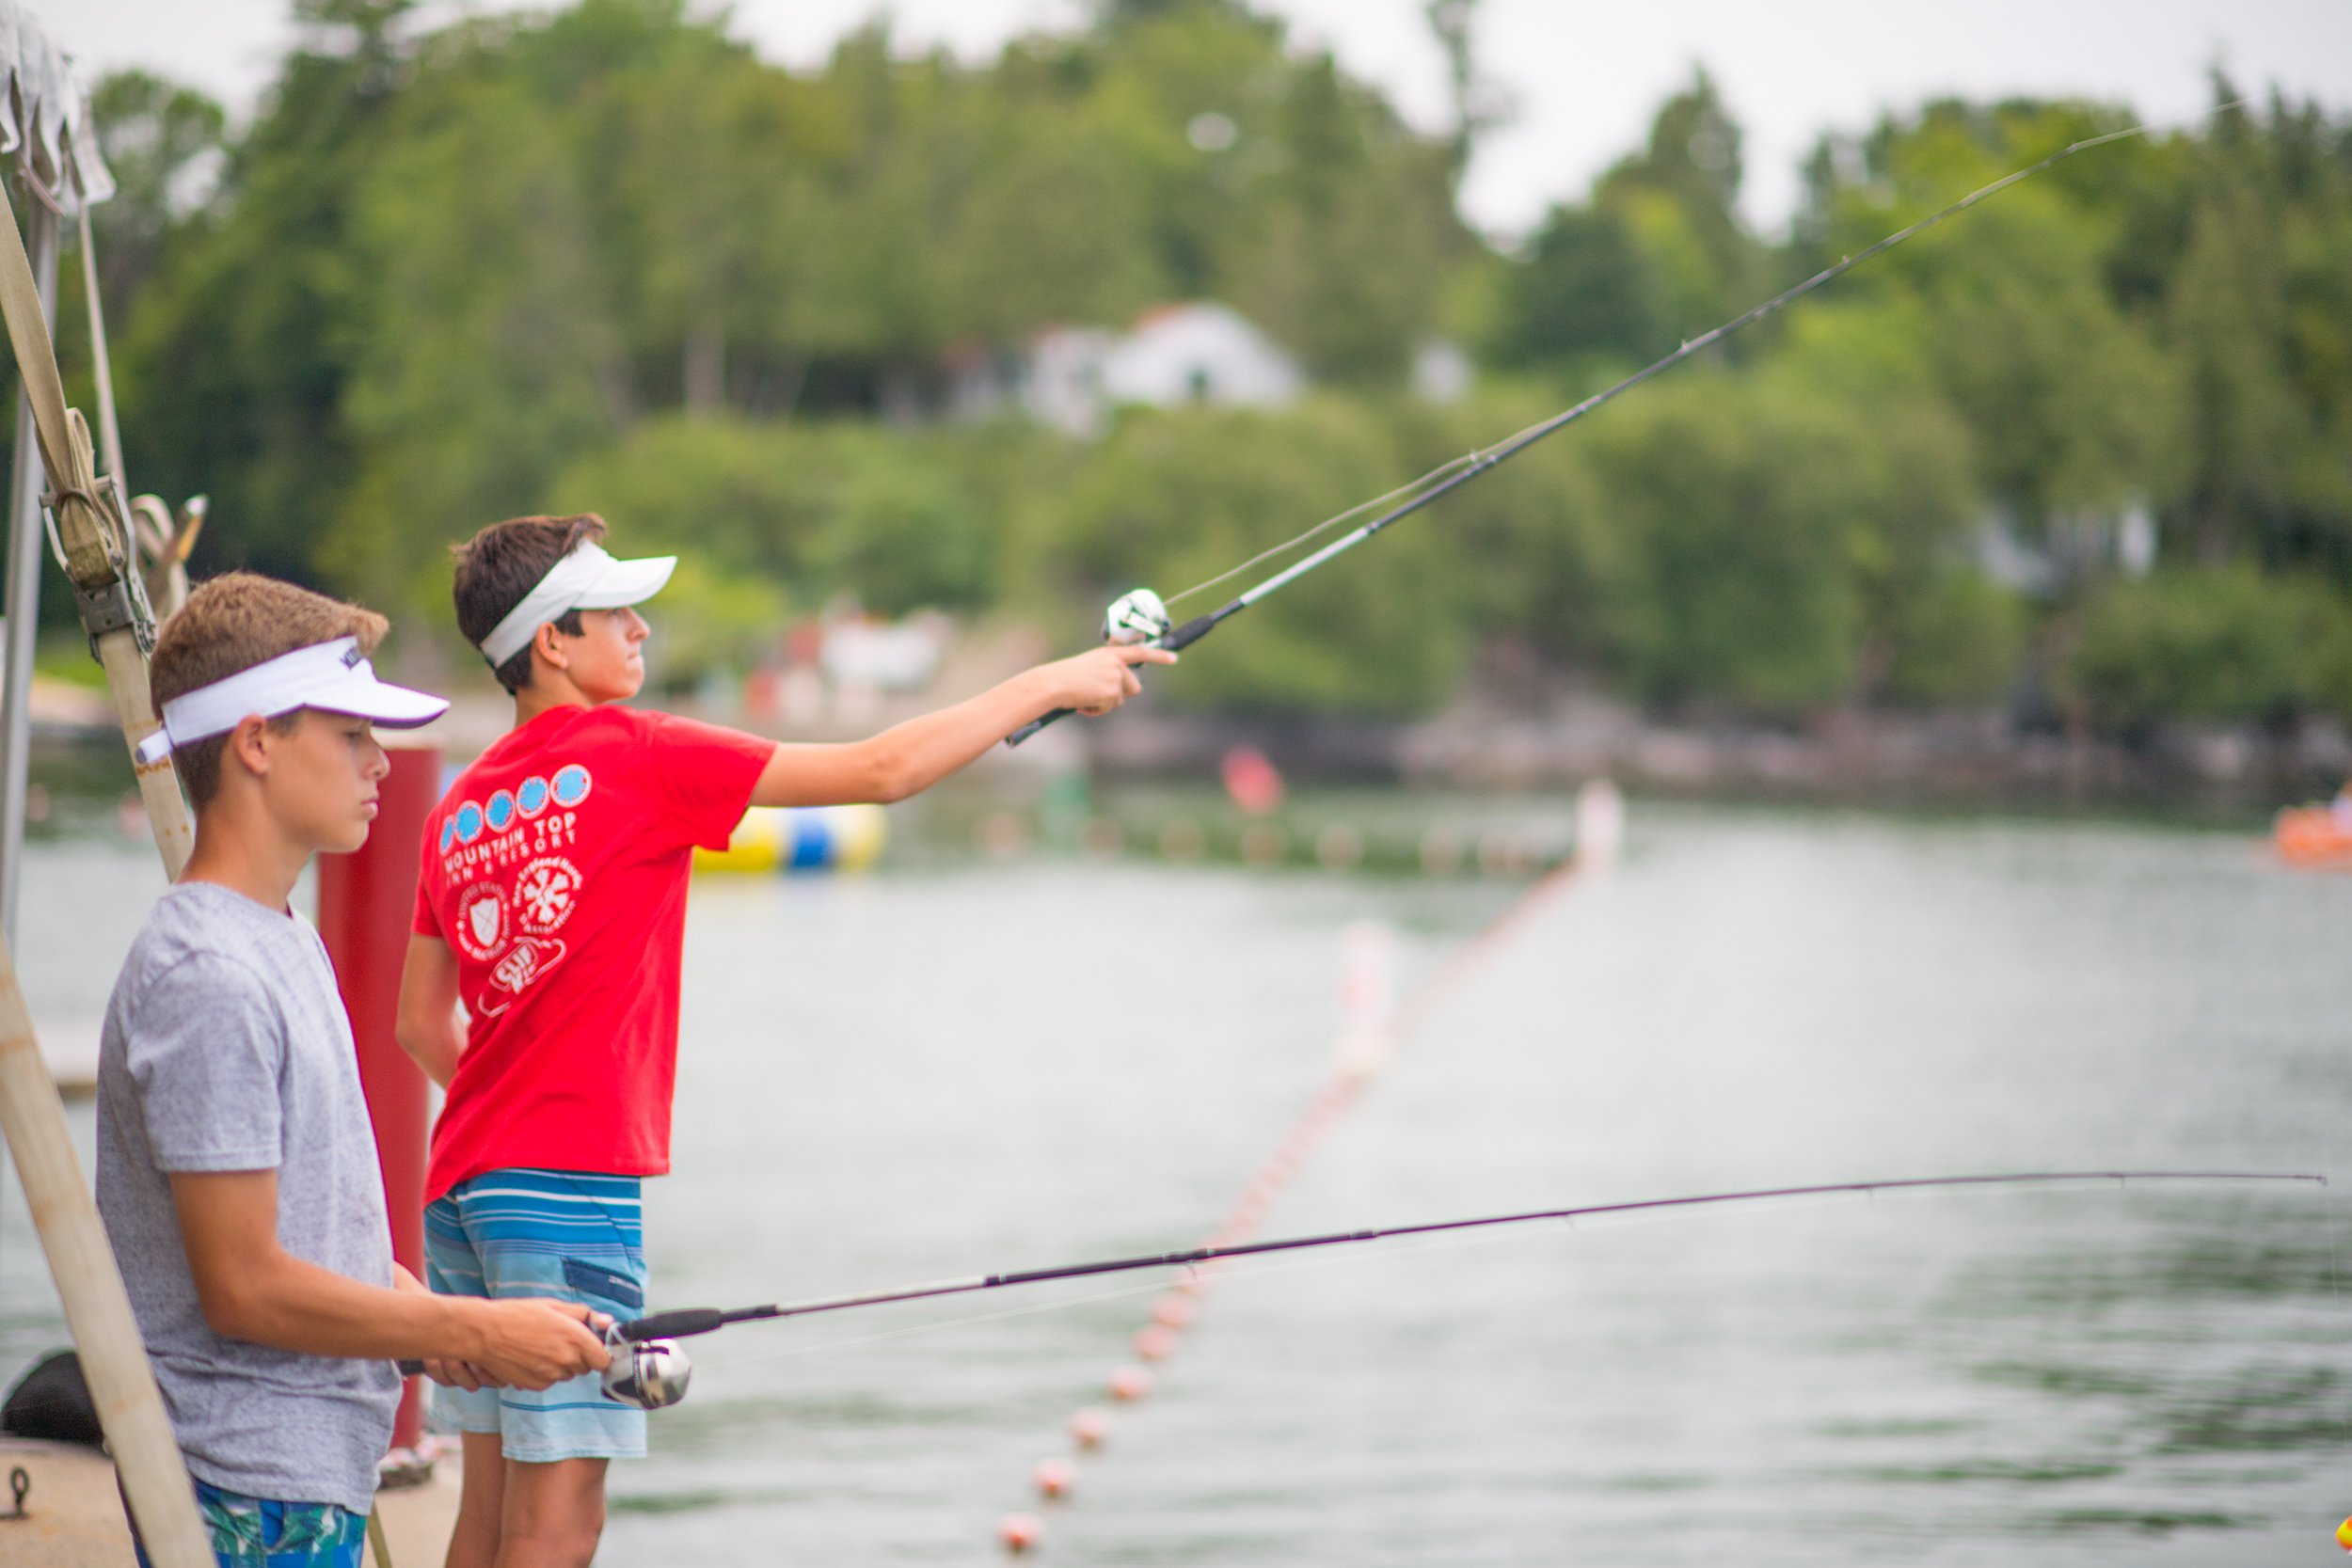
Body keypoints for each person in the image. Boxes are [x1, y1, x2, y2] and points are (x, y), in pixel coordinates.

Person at [397, 514, 1170, 1568]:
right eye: (616, 611)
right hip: (564, 1180)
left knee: (483, 1506)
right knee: (558, 1518)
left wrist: (502, 1106)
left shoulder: (459, 805)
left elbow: (413, 1020)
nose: (640, 627)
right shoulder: (639, 753)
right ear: (552, 643)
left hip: (461, 1183)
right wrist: (1048, 681)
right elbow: (884, 767)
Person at [96, 573, 612, 1568]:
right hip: (245, 1490)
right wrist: (468, 1320)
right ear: (255, 742)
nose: (383, 761)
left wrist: (427, 1321)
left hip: (302, 1473)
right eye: (350, 735)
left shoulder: (280, 934)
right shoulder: (209, 974)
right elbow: (243, 1284)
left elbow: (301, 1226)